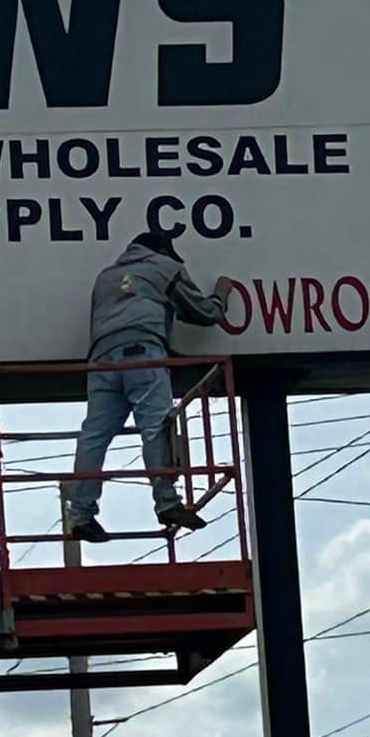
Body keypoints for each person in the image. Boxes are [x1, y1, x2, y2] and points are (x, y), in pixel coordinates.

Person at [65, 230, 234, 543]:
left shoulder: (106, 277)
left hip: (101, 360)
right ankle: (167, 502)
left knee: (94, 435)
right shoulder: (165, 268)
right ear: (163, 251)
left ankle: (80, 515)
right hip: (143, 352)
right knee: (156, 426)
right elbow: (203, 313)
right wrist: (221, 296)